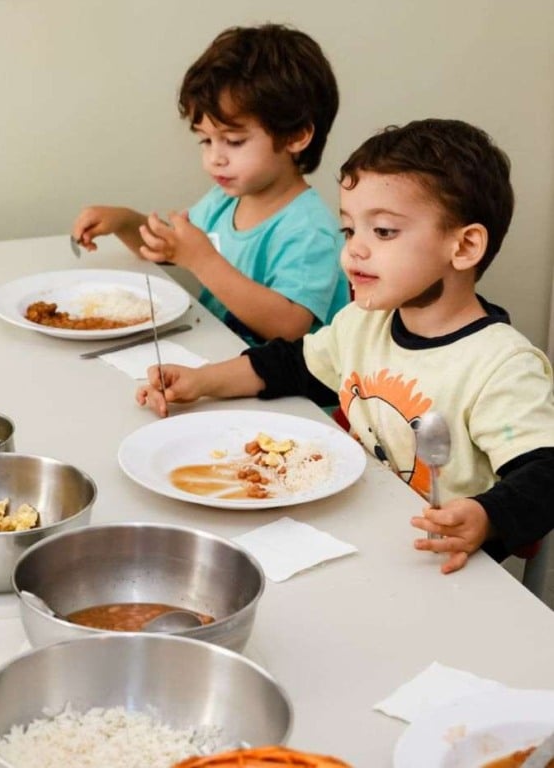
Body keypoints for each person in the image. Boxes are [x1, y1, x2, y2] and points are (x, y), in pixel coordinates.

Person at [136, 119, 554, 575]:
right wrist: (202, 380)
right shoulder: (364, 322)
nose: (355, 250)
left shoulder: (501, 366)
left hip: (443, 570)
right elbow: (295, 365)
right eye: (349, 230)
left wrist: (487, 517)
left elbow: (545, 473)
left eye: (385, 232)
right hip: (364, 537)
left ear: (465, 245)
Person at [72, 24, 351, 344]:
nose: (215, 158)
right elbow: (170, 248)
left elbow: (288, 327)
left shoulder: (309, 229)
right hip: (221, 356)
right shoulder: (225, 200)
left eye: (233, 141)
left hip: (286, 387)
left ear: (297, 136)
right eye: (205, 140)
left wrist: (202, 260)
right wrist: (124, 222)